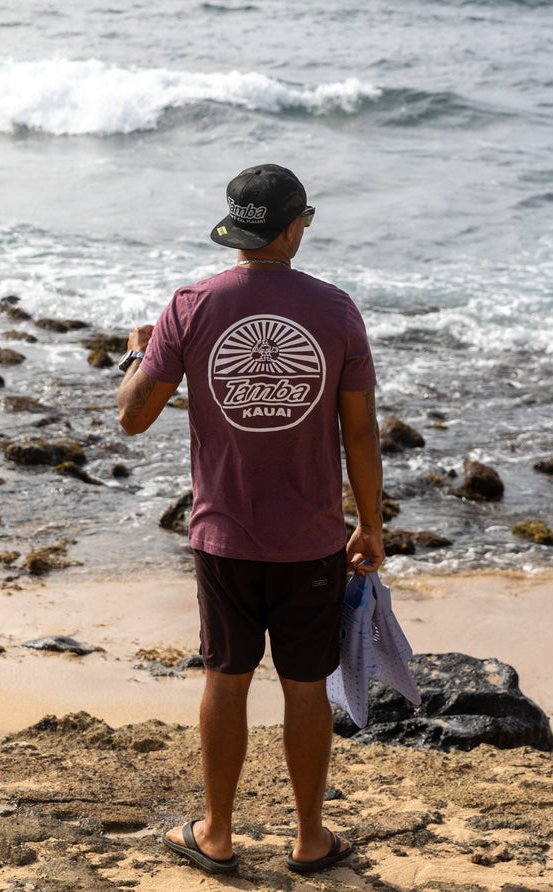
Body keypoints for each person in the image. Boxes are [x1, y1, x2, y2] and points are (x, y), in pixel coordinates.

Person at [116, 163, 384, 875]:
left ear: (238, 229)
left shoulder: (191, 304)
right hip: (313, 539)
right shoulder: (336, 310)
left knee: (225, 678)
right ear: (293, 227)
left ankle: (217, 836)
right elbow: (360, 433)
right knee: (306, 685)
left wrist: (141, 351)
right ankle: (308, 840)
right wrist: (370, 524)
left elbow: (132, 416)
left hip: (224, 535)